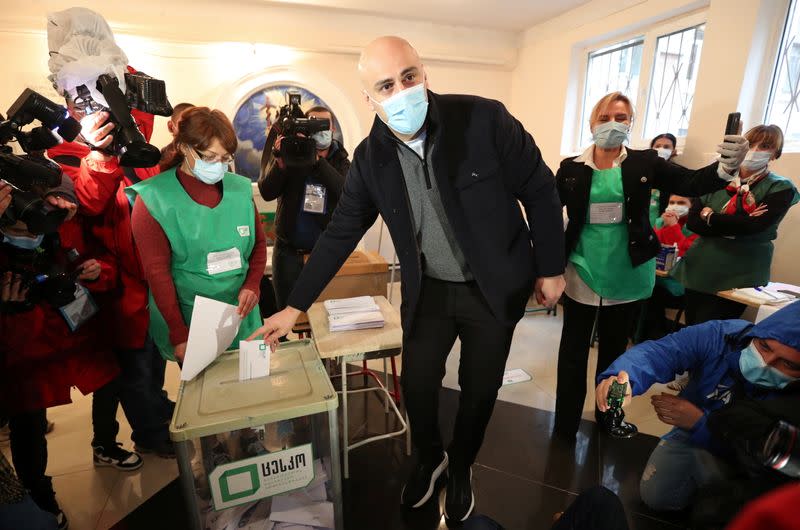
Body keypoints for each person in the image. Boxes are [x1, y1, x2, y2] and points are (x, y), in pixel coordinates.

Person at [249, 36, 567, 523]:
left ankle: (461, 466)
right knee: (417, 384)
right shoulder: (371, 159)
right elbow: (339, 234)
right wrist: (294, 305)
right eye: (385, 85)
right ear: (369, 98)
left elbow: (542, 191)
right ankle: (429, 457)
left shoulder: (484, 119)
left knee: (479, 390)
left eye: (409, 77)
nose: (401, 91)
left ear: (423, 73)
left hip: (492, 287)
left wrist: (550, 266)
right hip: (431, 291)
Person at [553, 92, 748, 438]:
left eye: (623, 117)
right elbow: (552, 213)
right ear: (592, 121)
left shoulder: (646, 162)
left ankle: (608, 417)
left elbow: (690, 182)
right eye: (607, 116)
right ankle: (565, 423)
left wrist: (725, 168)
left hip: (628, 269)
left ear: (631, 124)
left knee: (616, 357)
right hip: (581, 268)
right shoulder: (571, 167)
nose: (614, 123)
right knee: (572, 352)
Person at [45, 6, 175, 458]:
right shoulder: (64, 154)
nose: (92, 106)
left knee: (151, 361)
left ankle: (153, 413)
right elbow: (88, 201)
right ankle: (151, 436)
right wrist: (100, 154)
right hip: (114, 288)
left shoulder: (137, 146)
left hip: (153, 279)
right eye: (79, 98)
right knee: (132, 369)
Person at [0, 173, 125, 530]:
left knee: (109, 381)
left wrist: (97, 271)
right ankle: (39, 492)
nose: (33, 227)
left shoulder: (59, 230)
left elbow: (97, 261)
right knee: (29, 426)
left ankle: (106, 442)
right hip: (23, 350)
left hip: (73, 333)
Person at [595, 300, 800, 512]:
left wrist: (700, 423)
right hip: (691, 430)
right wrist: (624, 377)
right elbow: (661, 352)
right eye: (764, 346)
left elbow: (770, 461)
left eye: (788, 364)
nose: (765, 363)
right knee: (656, 496)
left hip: (753, 460)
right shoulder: (721, 336)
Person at [130, 107, 266, 362]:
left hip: (244, 314)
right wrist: (179, 334)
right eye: (208, 156)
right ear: (183, 147)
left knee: (255, 389)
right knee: (213, 397)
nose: (218, 166)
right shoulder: (154, 199)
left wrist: (252, 284)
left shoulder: (239, 189)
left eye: (225, 158)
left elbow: (258, 245)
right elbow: (157, 274)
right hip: (193, 320)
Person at [673, 124, 800, 324]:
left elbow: (755, 227)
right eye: (751, 144)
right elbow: (694, 222)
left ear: (776, 153)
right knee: (692, 328)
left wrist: (711, 217)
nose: (755, 151)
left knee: (718, 332)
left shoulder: (780, 187)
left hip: (741, 272)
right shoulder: (716, 178)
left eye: (765, 146)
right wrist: (737, 224)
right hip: (701, 266)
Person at [258, 107, 346, 312]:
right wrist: (280, 162)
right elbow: (267, 192)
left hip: (324, 253)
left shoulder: (340, 158)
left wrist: (317, 162)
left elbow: (345, 193)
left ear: (332, 129)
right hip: (288, 252)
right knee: (286, 314)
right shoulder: (290, 153)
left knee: (322, 315)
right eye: (315, 124)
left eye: (326, 124)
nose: (322, 129)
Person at [640, 194, 698, 341]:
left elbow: (686, 251)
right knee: (639, 288)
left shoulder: (695, 227)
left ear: (691, 207)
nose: (674, 206)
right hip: (655, 277)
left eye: (680, 202)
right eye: (671, 202)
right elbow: (651, 246)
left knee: (653, 295)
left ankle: (652, 339)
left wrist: (673, 227)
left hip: (680, 284)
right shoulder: (660, 221)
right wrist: (666, 226)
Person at [306, 106, 351, 178]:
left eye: (324, 124)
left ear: (333, 128)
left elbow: (343, 187)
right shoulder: (295, 156)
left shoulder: (342, 162)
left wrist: (319, 161)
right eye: (315, 123)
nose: (320, 129)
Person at [649, 133, 679, 224]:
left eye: (666, 147)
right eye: (658, 146)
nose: (661, 149)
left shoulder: (678, 173)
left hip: (662, 222)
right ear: (651, 149)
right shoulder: (641, 170)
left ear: (673, 151)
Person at [159, 102, 195, 170]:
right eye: (183, 125)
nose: (189, 130)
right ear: (171, 126)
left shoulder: (204, 151)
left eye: (194, 125)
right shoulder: (163, 156)